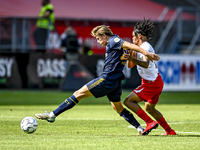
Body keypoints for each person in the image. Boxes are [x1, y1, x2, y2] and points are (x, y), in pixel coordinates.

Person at [35, 25, 160, 135]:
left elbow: (129, 45)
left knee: (78, 94)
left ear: (105, 36)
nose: (98, 41)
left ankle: (52, 115)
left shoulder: (113, 41)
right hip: (115, 82)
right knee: (118, 108)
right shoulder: (113, 43)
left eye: (98, 38)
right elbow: (126, 49)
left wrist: (147, 54)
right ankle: (139, 127)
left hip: (107, 79)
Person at [122, 18, 176, 135]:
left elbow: (146, 64)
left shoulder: (146, 47)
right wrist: (130, 53)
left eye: (133, 36)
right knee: (150, 109)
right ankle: (170, 131)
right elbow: (130, 66)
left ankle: (150, 122)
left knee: (128, 101)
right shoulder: (141, 48)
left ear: (139, 36)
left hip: (151, 83)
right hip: (155, 81)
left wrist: (131, 57)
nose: (132, 39)